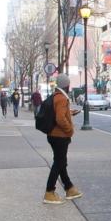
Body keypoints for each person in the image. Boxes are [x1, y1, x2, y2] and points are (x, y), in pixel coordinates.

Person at [43, 74, 83, 205]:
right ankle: (49, 192)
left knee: (61, 162)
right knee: (59, 163)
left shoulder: (56, 96)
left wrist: (69, 113)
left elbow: (59, 114)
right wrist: (69, 130)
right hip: (60, 136)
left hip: (54, 135)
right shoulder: (61, 98)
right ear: (66, 85)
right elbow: (60, 119)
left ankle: (69, 188)